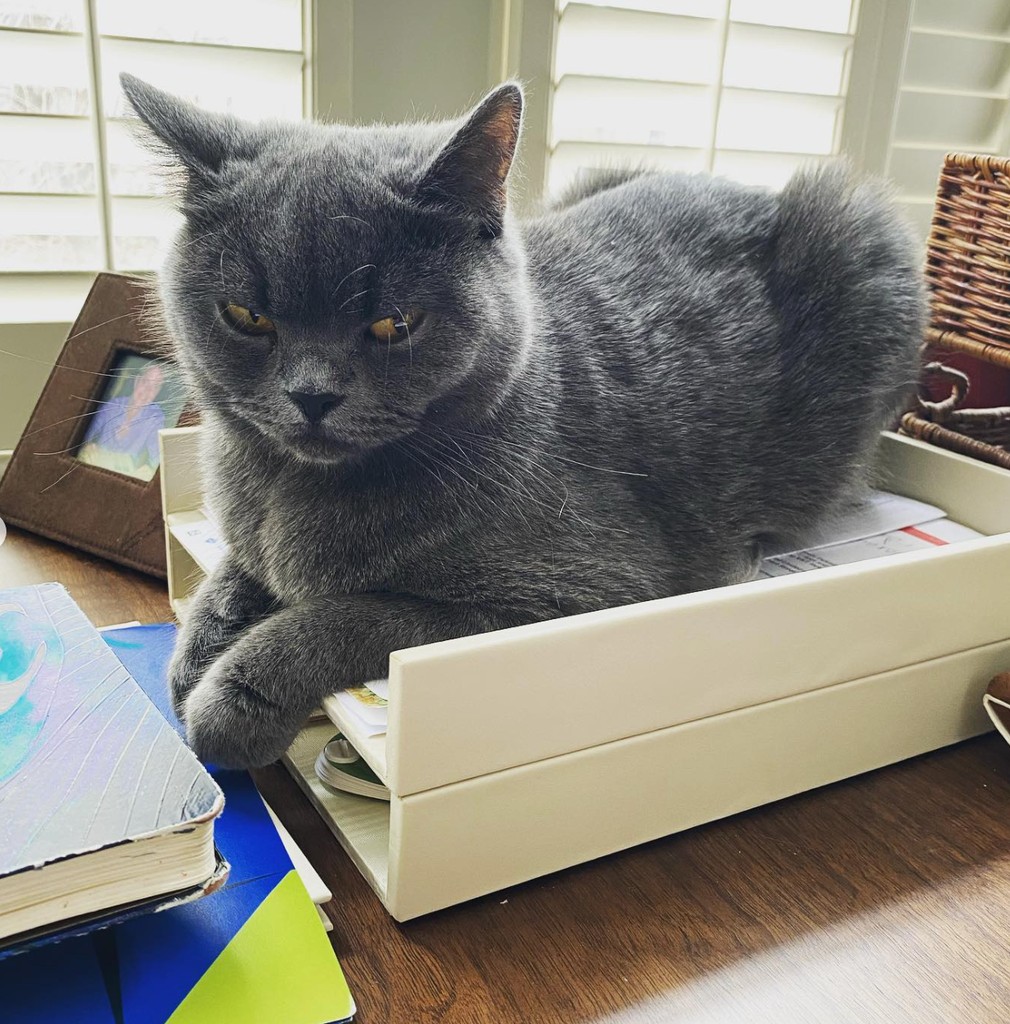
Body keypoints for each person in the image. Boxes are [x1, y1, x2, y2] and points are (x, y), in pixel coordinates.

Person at [78, 361, 167, 481]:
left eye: (155, 386)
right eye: (145, 382)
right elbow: (85, 431)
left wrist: (151, 469)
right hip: (95, 468)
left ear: (158, 392)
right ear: (137, 381)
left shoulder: (155, 417)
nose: (147, 390)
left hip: (123, 477)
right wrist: (86, 445)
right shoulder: (112, 405)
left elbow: (157, 456)